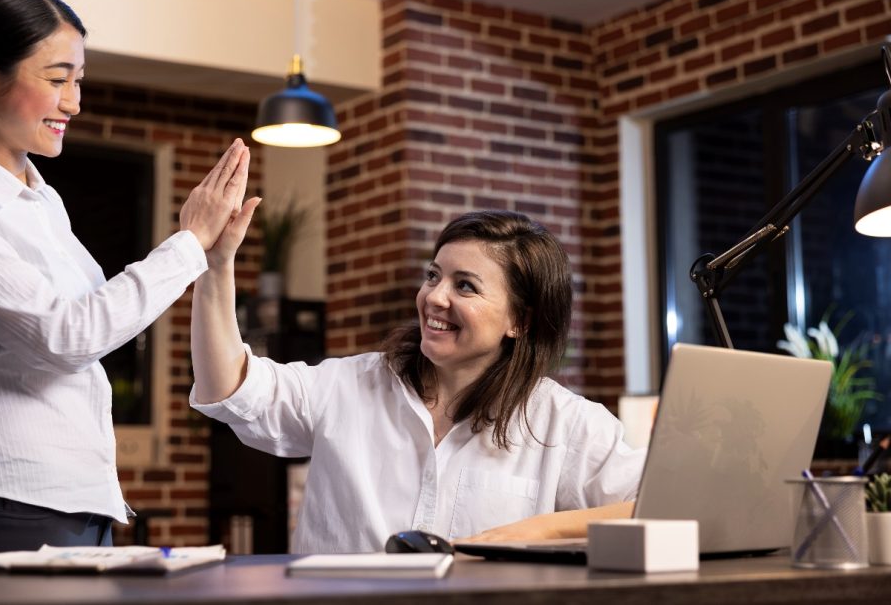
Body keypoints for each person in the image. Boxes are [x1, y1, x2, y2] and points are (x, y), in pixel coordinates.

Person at [0, 0, 252, 560]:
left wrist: (208, 254)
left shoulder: (42, 200)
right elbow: (67, 337)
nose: (74, 102)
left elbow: (92, 323)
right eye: (58, 79)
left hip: (80, 504)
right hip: (8, 505)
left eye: (78, 81)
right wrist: (186, 244)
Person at [189, 207, 645, 553]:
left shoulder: (565, 423)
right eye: (433, 276)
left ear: (520, 322)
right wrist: (216, 265)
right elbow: (230, 388)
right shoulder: (347, 385)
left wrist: (539, 529)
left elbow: (661, 507)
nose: (434, 297)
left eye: (465, 286)